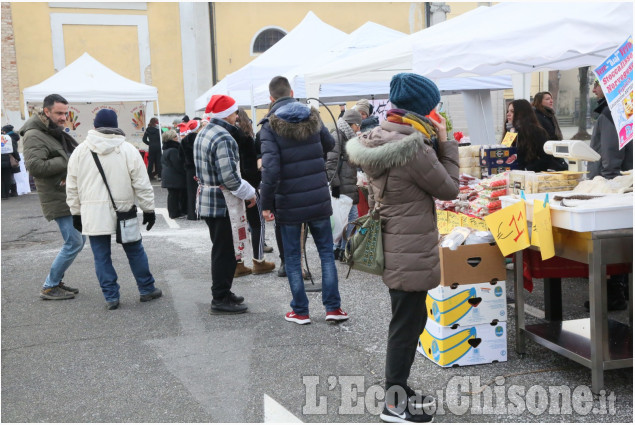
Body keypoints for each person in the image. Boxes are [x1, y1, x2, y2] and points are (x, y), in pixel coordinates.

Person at [346, 73, 459, 423]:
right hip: (409, 246)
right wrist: (447, 143)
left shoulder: (379, 138)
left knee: (408, 318)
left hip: (396, 240)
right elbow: (449, 188)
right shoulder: (413, 149)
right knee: (406, 323)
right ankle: (393, 403)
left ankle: (400, 388)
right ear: (425, 108)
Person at [259, 75, 348, 325]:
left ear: (271, 98)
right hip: (318, 196)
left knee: (293, 257)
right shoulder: (312, 115)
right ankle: (333, 308)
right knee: (326, 254)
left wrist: (266, 204)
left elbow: (271, 170)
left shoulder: (269, 126)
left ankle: (300, 311)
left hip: (288, 200)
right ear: (291, 91)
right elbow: (330, 144)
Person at [65, 109, 161, 310]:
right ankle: (146, 289)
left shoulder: (80, 151)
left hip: (92, 213)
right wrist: (149, 209)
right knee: (135, 250)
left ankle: (111, 297)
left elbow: (72, 186)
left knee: (101, 255)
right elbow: (141, 183)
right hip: (124, 210)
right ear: (116, 125)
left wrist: (76, 212)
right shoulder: (128, 149)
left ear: (94, 126)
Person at [195, 94, 256, 315]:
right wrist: (250, 193)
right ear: (228, 113)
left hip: (208, 199)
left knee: (222, 249)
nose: (237, 115)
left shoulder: (204, 132)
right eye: (234, 111)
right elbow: (229, 178)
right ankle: (219, 297)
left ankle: (223, 291)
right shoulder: (223, 137)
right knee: (225, 251)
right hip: (221, 202)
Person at [20, 94, 85, 300]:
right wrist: (65, 160)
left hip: (67, 193)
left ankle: (55, 281)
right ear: (46, 111)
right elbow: (34, 166)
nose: (63, 117)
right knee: (74, 242)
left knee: (79, 240)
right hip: (57, 195)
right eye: (59, 113)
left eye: (66, 113)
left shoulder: (51, 132)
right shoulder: (34, 135)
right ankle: (49, 286)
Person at [585, 79, 632, 311]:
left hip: (614, 184)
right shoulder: (621, 112)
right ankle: (620, 289)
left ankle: (615, 293)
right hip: (623, 182)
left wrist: (606, 182)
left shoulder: (609, 114)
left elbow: (611, 153)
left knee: (612, 241)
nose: (594, 90)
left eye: (597, 85)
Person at [229, 108, 275, 277]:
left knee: (236, 225)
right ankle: (258, 260)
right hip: (248, 187)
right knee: (257, 223)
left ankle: (238, 263)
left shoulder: (226, 137)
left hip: (230, 188)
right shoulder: (246, 139)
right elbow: (249, 168)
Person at [326, 109, 362, 261]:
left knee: (346, 219)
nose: (358, 129)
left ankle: (339, 250)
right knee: (351, 218)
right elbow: (330, 163)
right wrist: (335, 186)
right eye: (357, 125)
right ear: (351, 124)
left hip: (348, 184)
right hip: (342, 186)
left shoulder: (347, 136)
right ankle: (345, 250)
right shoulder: (338, 136)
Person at [588, 79, 633, 179]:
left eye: (596, 85)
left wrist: (609, 179)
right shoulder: (625, 108)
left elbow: (610, 150)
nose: (593, 90)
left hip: (606, 179)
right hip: (624, 177)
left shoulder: (611, 113)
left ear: (608, 86)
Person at [507, 99, 567, 172]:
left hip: (533, 175)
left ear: (522, 113)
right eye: (508, 111)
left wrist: (527, 170)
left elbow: (546, 157)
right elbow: (505, 152)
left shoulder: (535, 131)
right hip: (515, 174)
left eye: (512, 111)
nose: (508, 114)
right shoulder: (510, 130)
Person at [161, 128, 187, 218]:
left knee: (173, 195)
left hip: (169, 177)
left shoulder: (167, 149)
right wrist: (185, 171)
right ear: (171, 138)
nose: (178, 137)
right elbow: (178, 164)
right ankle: (175, 213)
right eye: (175, 136)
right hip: (174, 177)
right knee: (174, 196)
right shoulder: (173, 150)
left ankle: (174, 213)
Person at [179, 118, 202, 220]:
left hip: (189, 170)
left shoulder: (184, 141)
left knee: (191, 192)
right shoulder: (201, 139)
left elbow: (180, 157)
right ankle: (201, 213)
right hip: (200, 169)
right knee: (201, 191)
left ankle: (192, 214)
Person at [1, 129, 20, 199]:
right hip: (7, 161)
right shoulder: (8, 139)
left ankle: (2, 194)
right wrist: (17, 158)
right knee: (7, 178)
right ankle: (6, 194)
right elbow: (14, 150)